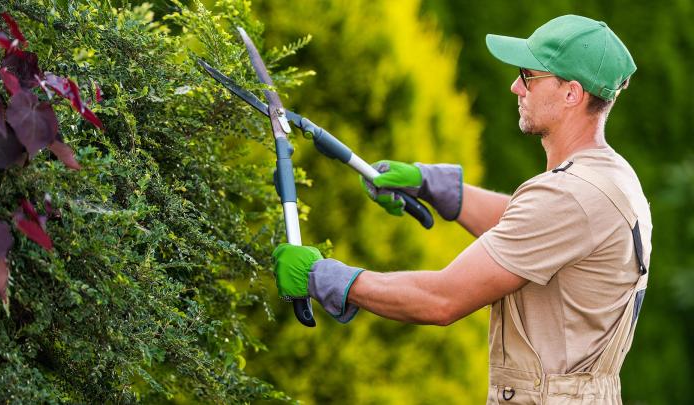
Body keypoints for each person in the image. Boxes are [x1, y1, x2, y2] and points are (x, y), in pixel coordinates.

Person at [273, 14, 651, 404]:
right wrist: (433, 186)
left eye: (528, 76)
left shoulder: (568, 196)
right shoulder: (610, 178)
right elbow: (529, 229)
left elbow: (442, 299)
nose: (515, 87)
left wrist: (325, 278)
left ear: (572, 93)